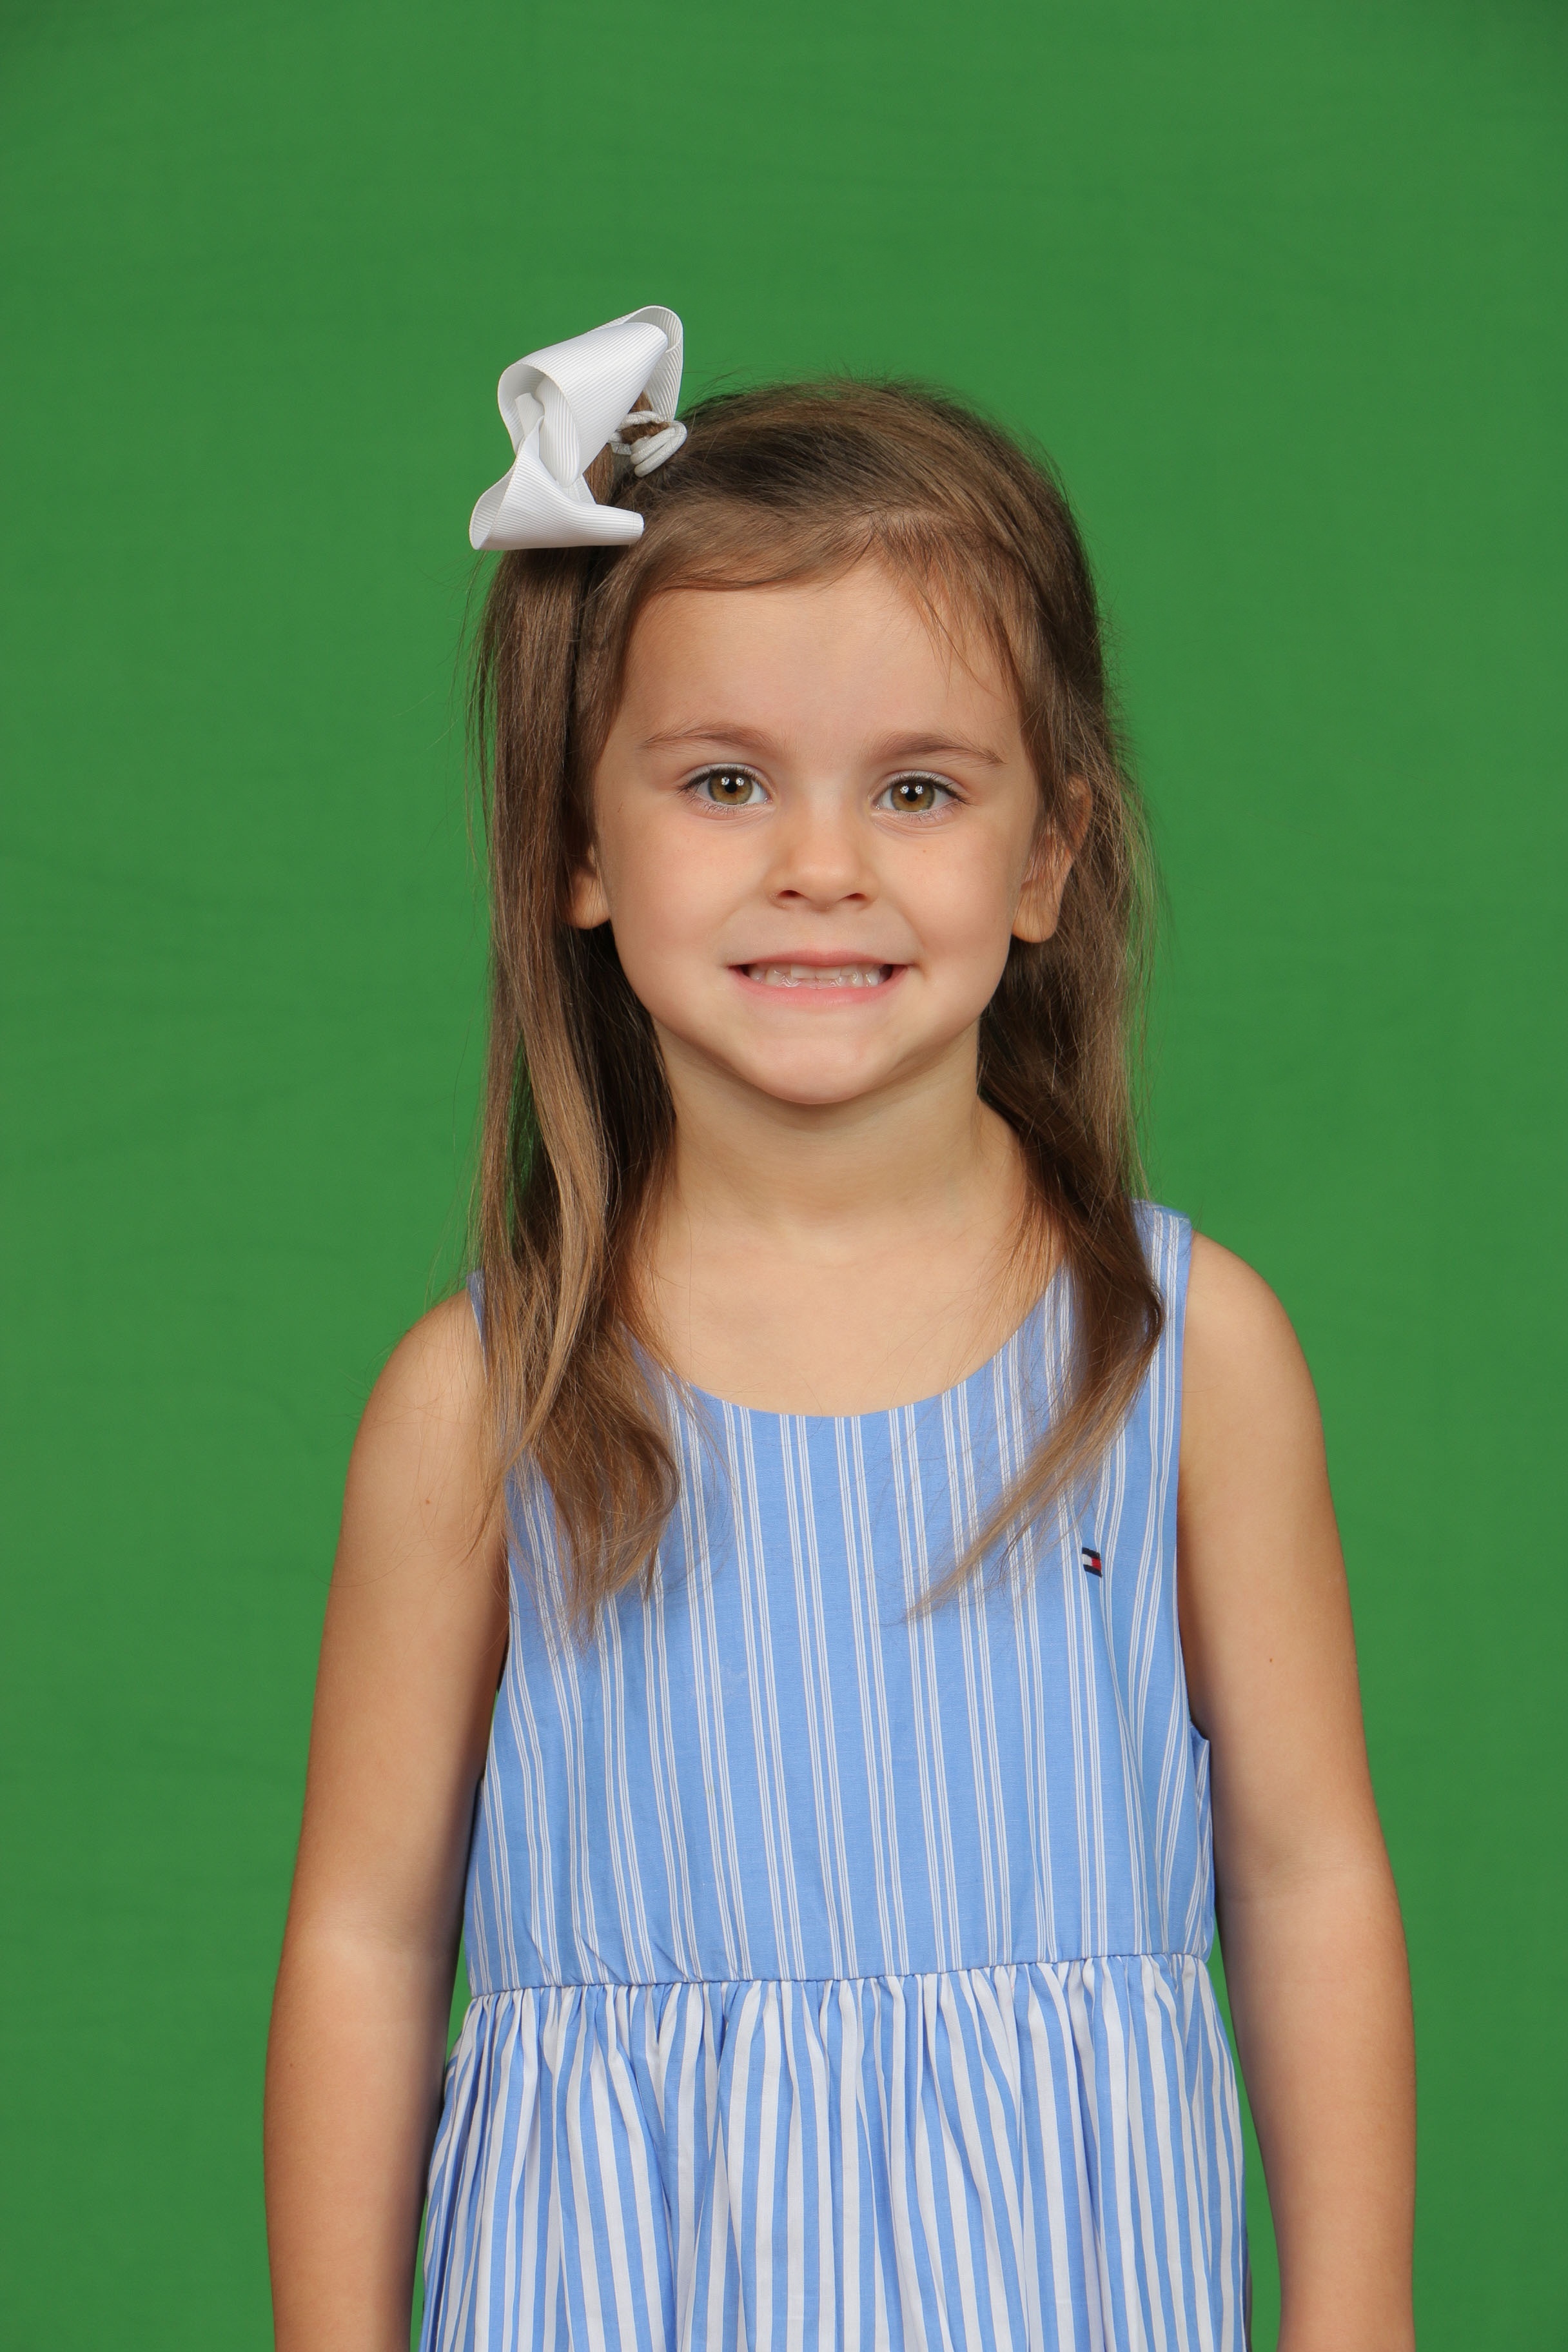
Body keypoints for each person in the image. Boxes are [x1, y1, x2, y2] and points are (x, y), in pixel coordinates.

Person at [264, 307, 1416, 2352]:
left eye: (918, 788)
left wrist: (1356, 2320)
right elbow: (365, 1938)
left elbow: (1308, 1875)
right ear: (579, 847)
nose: (821, 868)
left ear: (1047, 854)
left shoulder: (1182, 1353)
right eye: (726, 781)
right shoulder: (485, 1400)